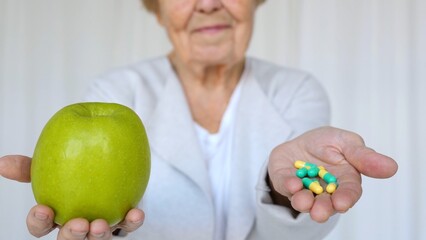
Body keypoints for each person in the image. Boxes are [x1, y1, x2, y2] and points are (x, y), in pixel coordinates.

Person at [0, 0, 398, 239]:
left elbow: (296, 221)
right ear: (156, 9)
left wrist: (283, 191)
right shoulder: (116, 91)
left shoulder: (296, 89)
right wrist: (104, 226)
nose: (207, 3)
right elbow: (109, 217)